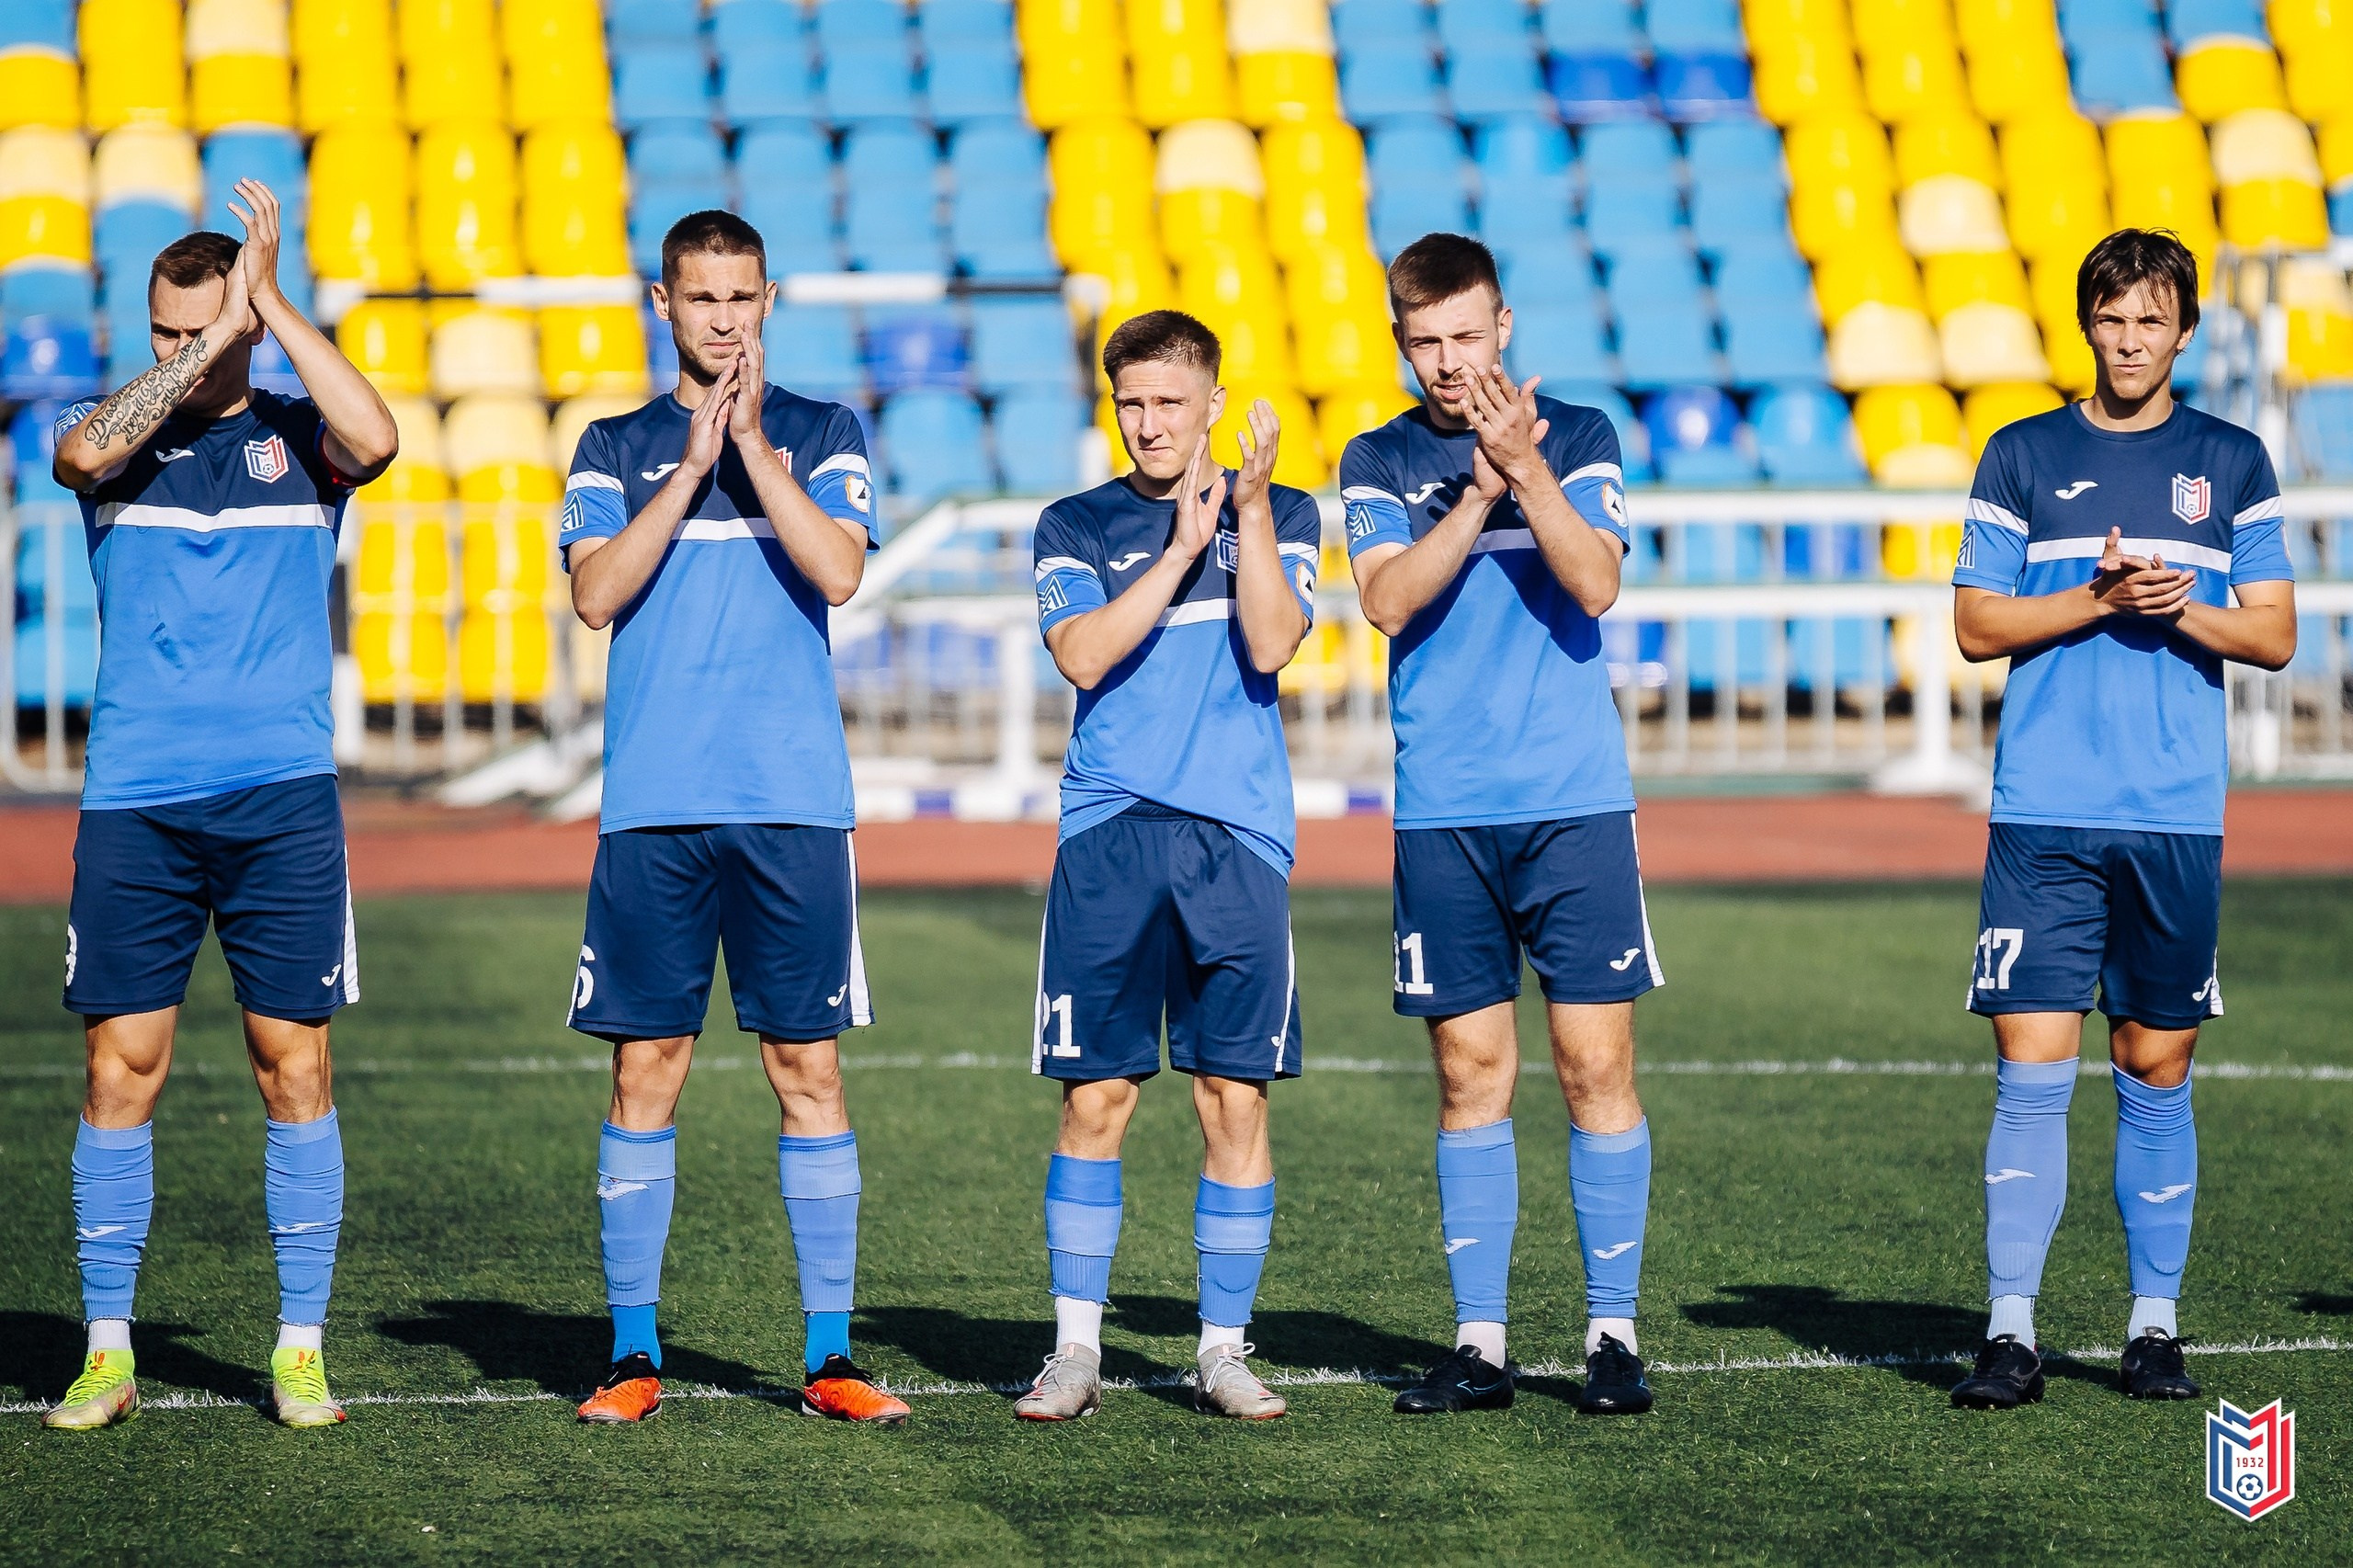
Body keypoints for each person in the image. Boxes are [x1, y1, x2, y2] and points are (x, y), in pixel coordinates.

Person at [43, 183, 399, 1430]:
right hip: (136, 802)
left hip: (281, 804)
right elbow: (80, 451)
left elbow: (384, 437)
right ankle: (106, 1349)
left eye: (196, 330)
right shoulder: (116, 443)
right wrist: (197, 348)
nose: (175, 352)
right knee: (119, 1067)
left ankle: (299, 1347)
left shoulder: (302, 439)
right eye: (158, 330)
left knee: (291, 1063)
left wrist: (274, 310)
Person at [558, 211, 904, 1426]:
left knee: (806, 1066)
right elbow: (596, 592)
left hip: (792, 803)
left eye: (742, 297)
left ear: (771, 299)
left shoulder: (823, 432)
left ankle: (829, 1355)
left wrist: (752, 450)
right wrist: (690, 469)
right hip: (656, 803)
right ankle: (632, 1350)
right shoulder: (611, 441)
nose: (723, 318)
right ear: (665, 303)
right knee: (647, 1066)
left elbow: (841, 570)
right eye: (701, 298)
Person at [1945, 228, 2296, 1411]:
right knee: (2028, 1067)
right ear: (2085, 326)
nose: (2130, 340)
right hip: (2043, 809)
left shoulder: (2232, 459)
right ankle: (2010, 1328)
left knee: (2156, 1063)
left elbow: (2275, 633)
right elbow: (1977, 625)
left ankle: (2153, 1324)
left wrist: (2176, 603)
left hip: (2173, 814)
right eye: (2112, 319)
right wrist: (2093, 598)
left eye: (2152, 320)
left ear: (2183, 332)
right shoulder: (2022, 453)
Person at [1339, 233, 1659, 1418]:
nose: (1446, 361)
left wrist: (1524, 468)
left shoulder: (1578, 435)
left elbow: (1595, 582)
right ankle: (1480, 1341)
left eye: (1465, 336)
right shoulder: (1375, 456)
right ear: (1399, 340)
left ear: (1504, 324)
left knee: (1593, 1066)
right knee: (1470, 1072)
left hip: (1573, 800)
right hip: (1446, 810)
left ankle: (1612, 1332)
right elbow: (1385, 600)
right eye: (1423, 341)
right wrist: (1477, 484)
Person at [1012, 310, 1322, 1422]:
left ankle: (1223, 1349)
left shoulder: (1280, 509)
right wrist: (1182, 548)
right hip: (1108, 834)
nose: (1148, 423)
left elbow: (1273, 644)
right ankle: (1076, 1351)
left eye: (1169, 403)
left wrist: (1236, 510)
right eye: (1130, 402)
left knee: (1232, 1097)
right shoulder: (1073, 520)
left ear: (1212, 403)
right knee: (1096, 1094)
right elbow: (1083, 652)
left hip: (1235, 838)